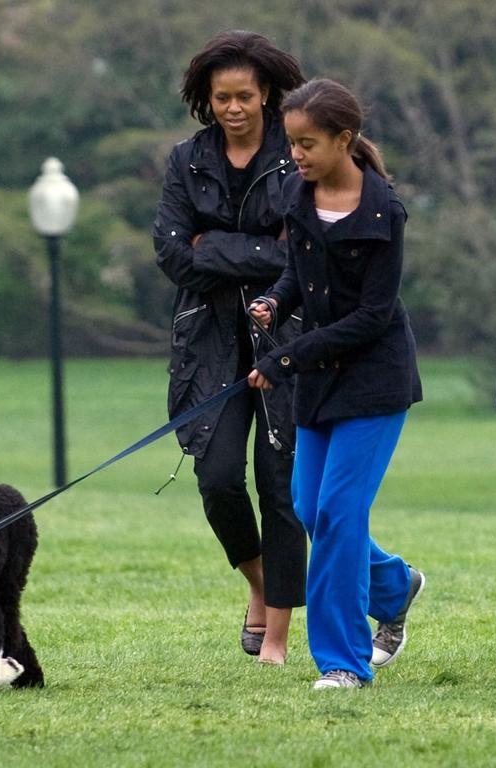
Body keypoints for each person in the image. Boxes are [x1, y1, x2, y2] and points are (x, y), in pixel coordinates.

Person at [247, 78, 425, 690]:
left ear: (344, 140)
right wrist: (275, 300)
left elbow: (373, 317)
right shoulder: (298, 196)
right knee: (309, 509)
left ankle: (343, 663)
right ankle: (395, 586)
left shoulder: (384, 212)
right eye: (292, 143)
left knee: (341, 513)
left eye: (308, 143)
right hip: (318, 376)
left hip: (374, 380)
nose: (296, 154)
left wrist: (284, 360)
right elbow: (298, 271)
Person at [152, 31, 307, 665]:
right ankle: (261, 583)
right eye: (222, 97)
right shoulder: (186, 159)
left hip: (287, 338)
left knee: (281, 488)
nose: (234, 108)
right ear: (206, 100)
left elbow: (301, 249)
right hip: (208, 342)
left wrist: (211, 246)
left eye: (244, 95)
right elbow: (169, 252)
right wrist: (256, 251)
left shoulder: (296, 153)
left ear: (266, 94)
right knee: (217, 478)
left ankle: (276, 636)